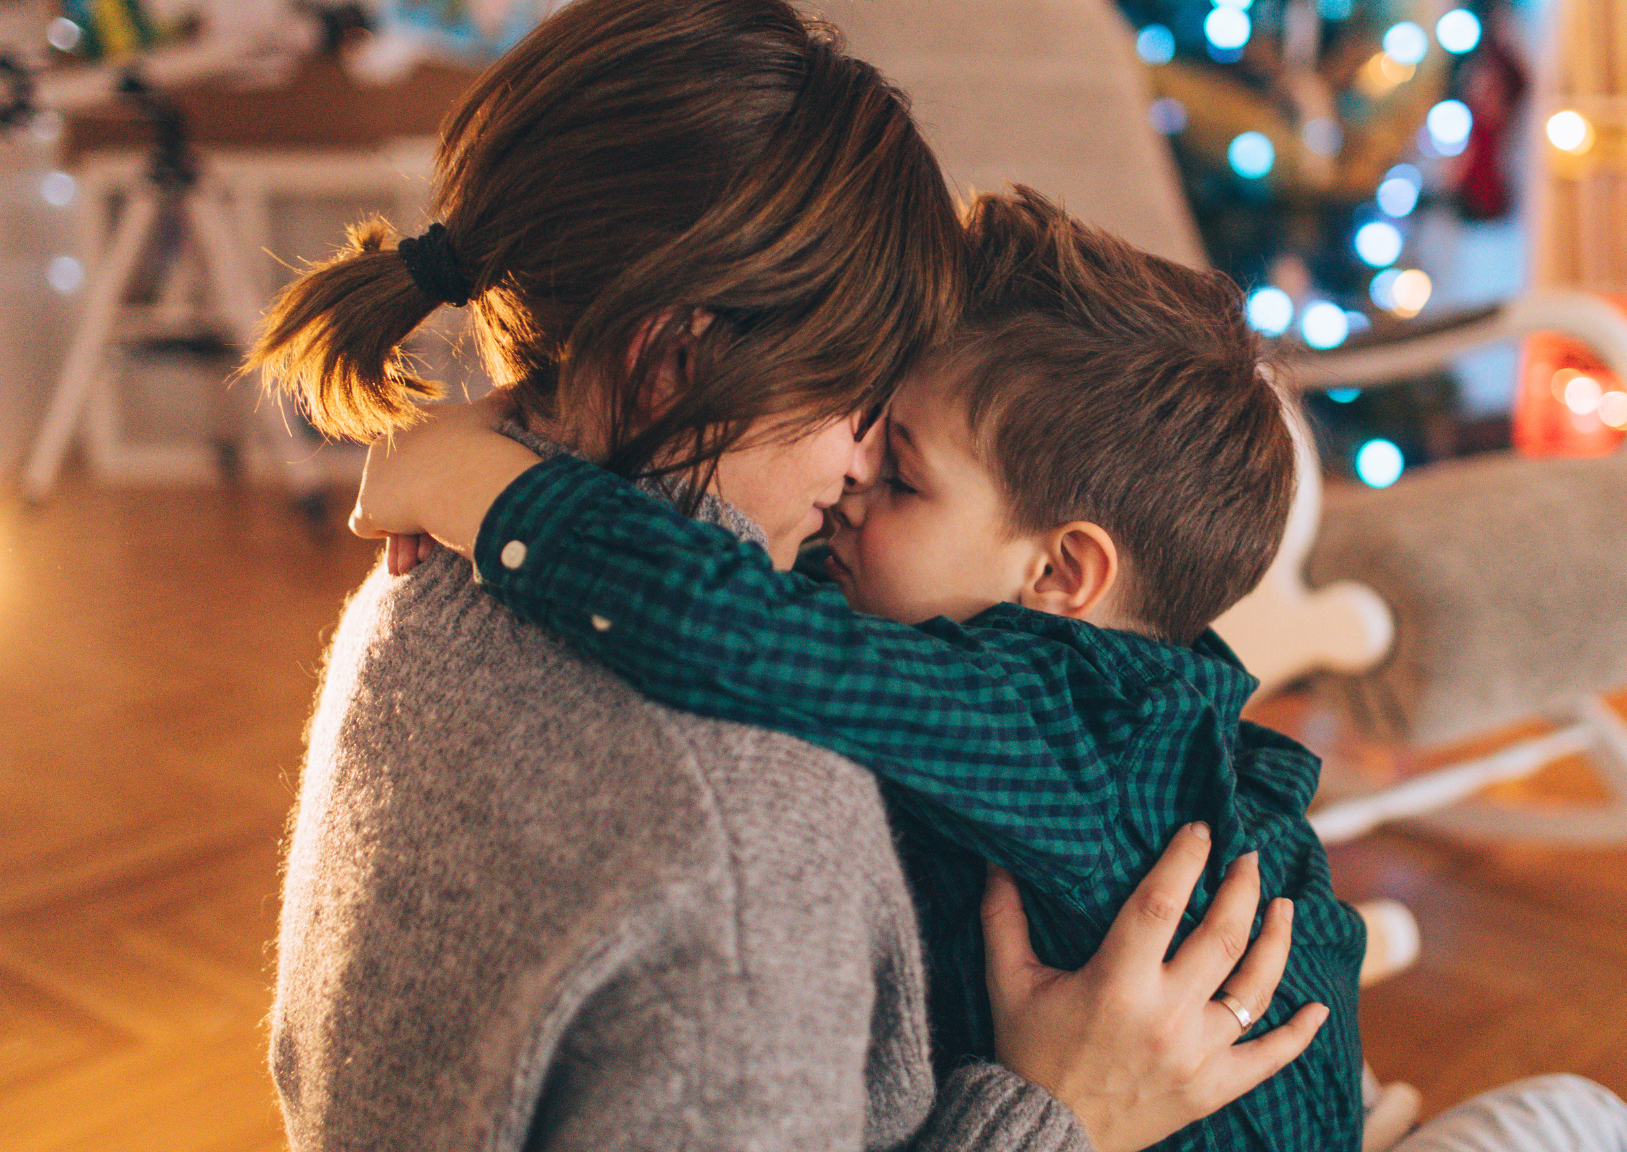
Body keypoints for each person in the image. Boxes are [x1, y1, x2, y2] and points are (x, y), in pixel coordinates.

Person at [252, 2, 1322, 1149]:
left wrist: (496, 466)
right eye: (860, 395)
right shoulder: (749, 839)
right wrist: (1058, 1121)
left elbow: (720, 616)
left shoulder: (417, 591)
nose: (860, 465)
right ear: (675, 356)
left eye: (899, 463)